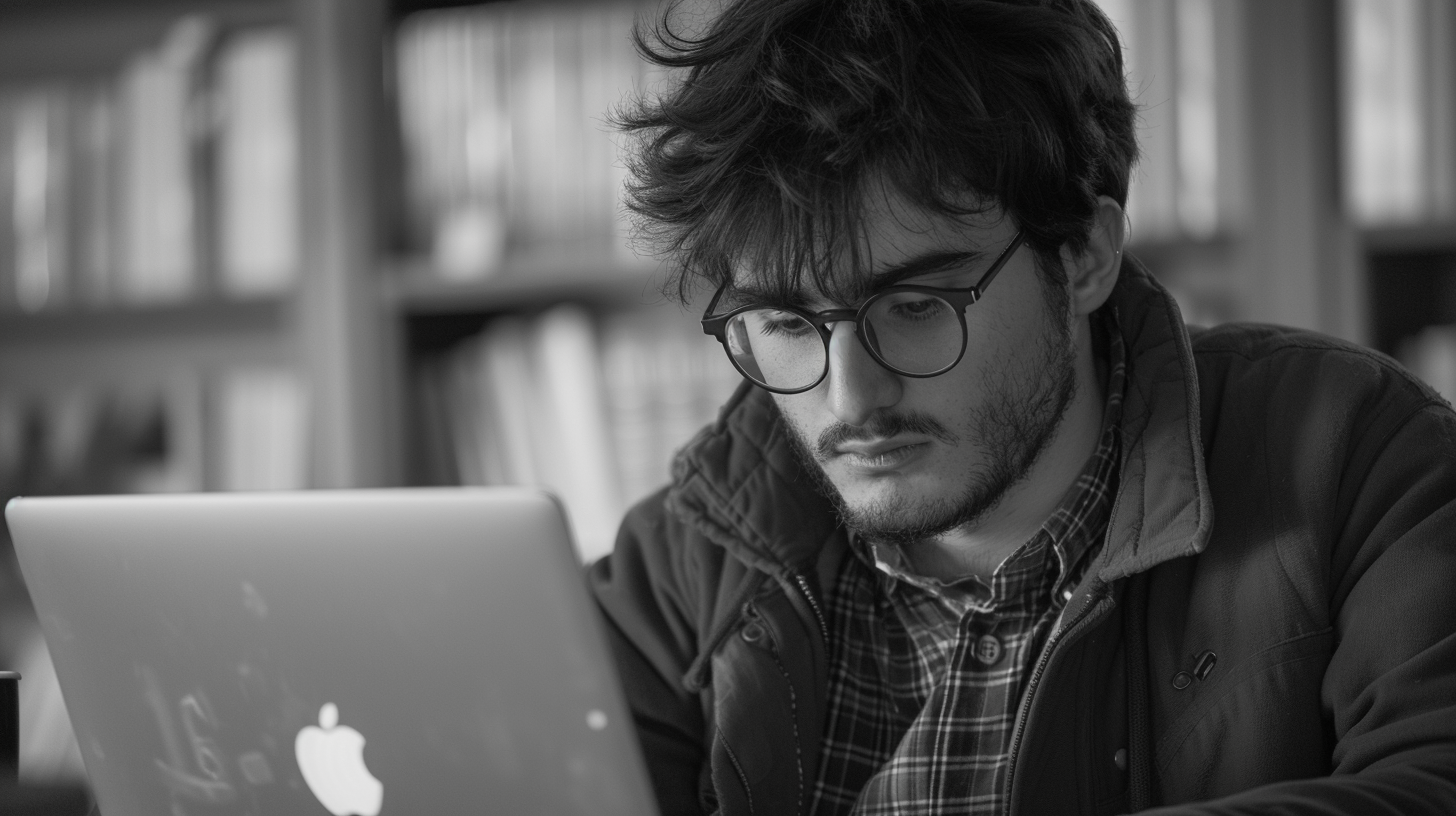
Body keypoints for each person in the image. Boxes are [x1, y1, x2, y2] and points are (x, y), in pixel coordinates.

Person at [587, 0, 1456, 813]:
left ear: (1082, 255)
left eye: (917, 307)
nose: (849, 398)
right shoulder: (688, 554)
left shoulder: (1357, 458)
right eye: (782, 321)